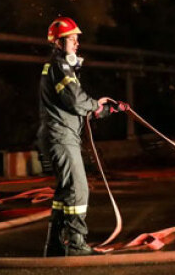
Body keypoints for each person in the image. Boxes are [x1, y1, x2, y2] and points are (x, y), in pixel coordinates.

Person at [37, 17, 126, 257]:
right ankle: (76, 245)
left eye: (77, 40)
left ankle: (54, 245)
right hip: (61, 136)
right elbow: (77, 102)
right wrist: (96, 103)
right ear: (58, 42)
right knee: (78, 189)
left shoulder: (59, 67)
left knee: (64, 192)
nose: (77, 44)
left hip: (60, 134)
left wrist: (107, 109)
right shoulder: (60, 66)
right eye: (72, 39)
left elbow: (76, 106)